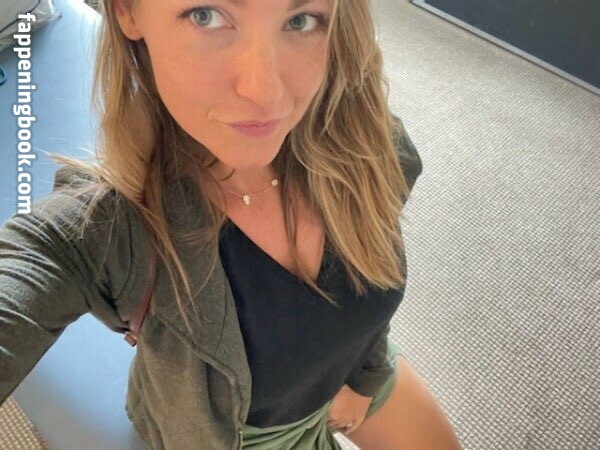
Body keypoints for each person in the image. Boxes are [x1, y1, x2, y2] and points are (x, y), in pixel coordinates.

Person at [0, 0, 462, 448]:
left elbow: (372, 290)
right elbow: (32, 267)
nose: (266, 92)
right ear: (127, 10)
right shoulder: (109, 230)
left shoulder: (362, 143)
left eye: (301, 19)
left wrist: (367, 374)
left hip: (352, 370)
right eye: (206, 16)